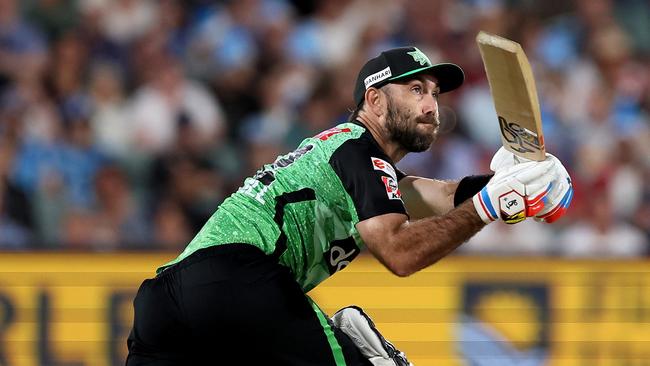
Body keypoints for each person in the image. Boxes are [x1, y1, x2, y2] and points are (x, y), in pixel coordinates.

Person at [125, 46, 572, 365]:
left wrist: (511, 186)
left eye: (435, 94)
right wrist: (491, 205)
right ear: (374, 100)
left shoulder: (355, 160)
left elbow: (437, 197)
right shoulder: (359, 149)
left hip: (164, 300)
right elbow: (398, 253)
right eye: (416, 89)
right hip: (238, 279)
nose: (432, 105)